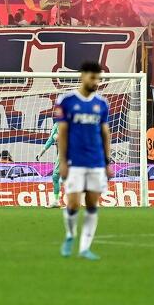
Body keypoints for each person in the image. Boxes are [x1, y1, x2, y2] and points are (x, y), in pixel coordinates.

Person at [56, 60, 111, 260]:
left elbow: (105, 133)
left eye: (98, 78)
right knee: (72, 204)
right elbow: (62, 132)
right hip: (75, 162)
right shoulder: (66, 101)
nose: (96, 81)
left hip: (96, 162)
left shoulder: (102, 104)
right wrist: (62, 161)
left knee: (92, 204)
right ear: (82, 76)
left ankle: (85, 248)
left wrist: (107, 162)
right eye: (93, 77)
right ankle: (70, 234)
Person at [36, 122, 62, 205]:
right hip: (64, 154)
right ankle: (56, 201)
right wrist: (41, 153)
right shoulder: (56, 125)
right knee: (55, 176)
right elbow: (50, 140)